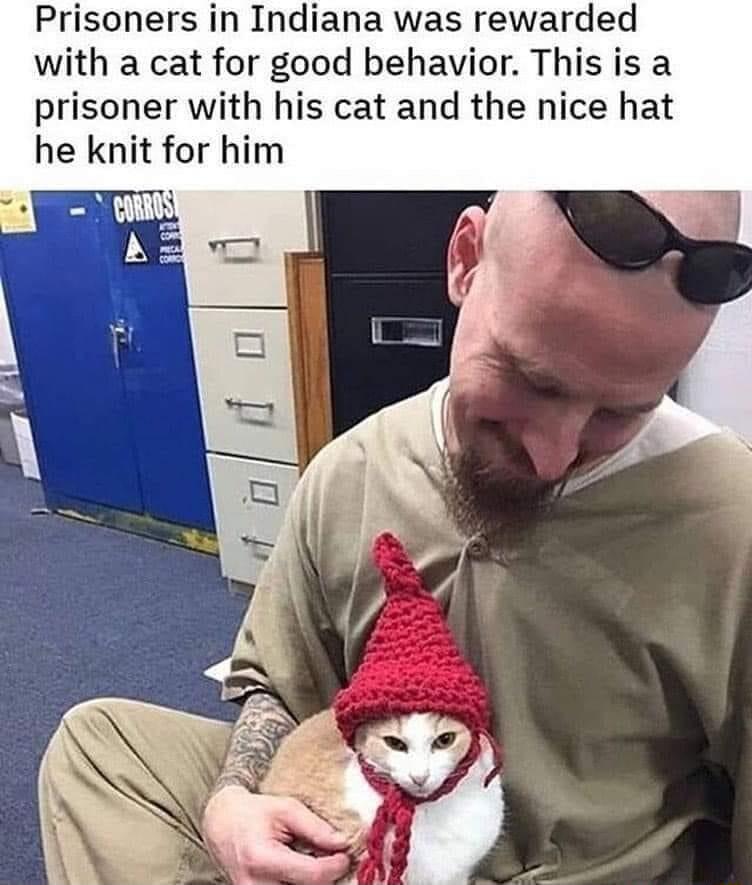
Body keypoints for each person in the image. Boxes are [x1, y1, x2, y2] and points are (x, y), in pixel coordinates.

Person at [38, 191, 752, 885]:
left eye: (618, 414)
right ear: (465, 261)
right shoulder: (353, 469)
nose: (553, 453)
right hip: (362, 826)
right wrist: (232, 803)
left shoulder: (731, 520)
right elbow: (278, 683)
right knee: (100, 746)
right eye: (531, 381)